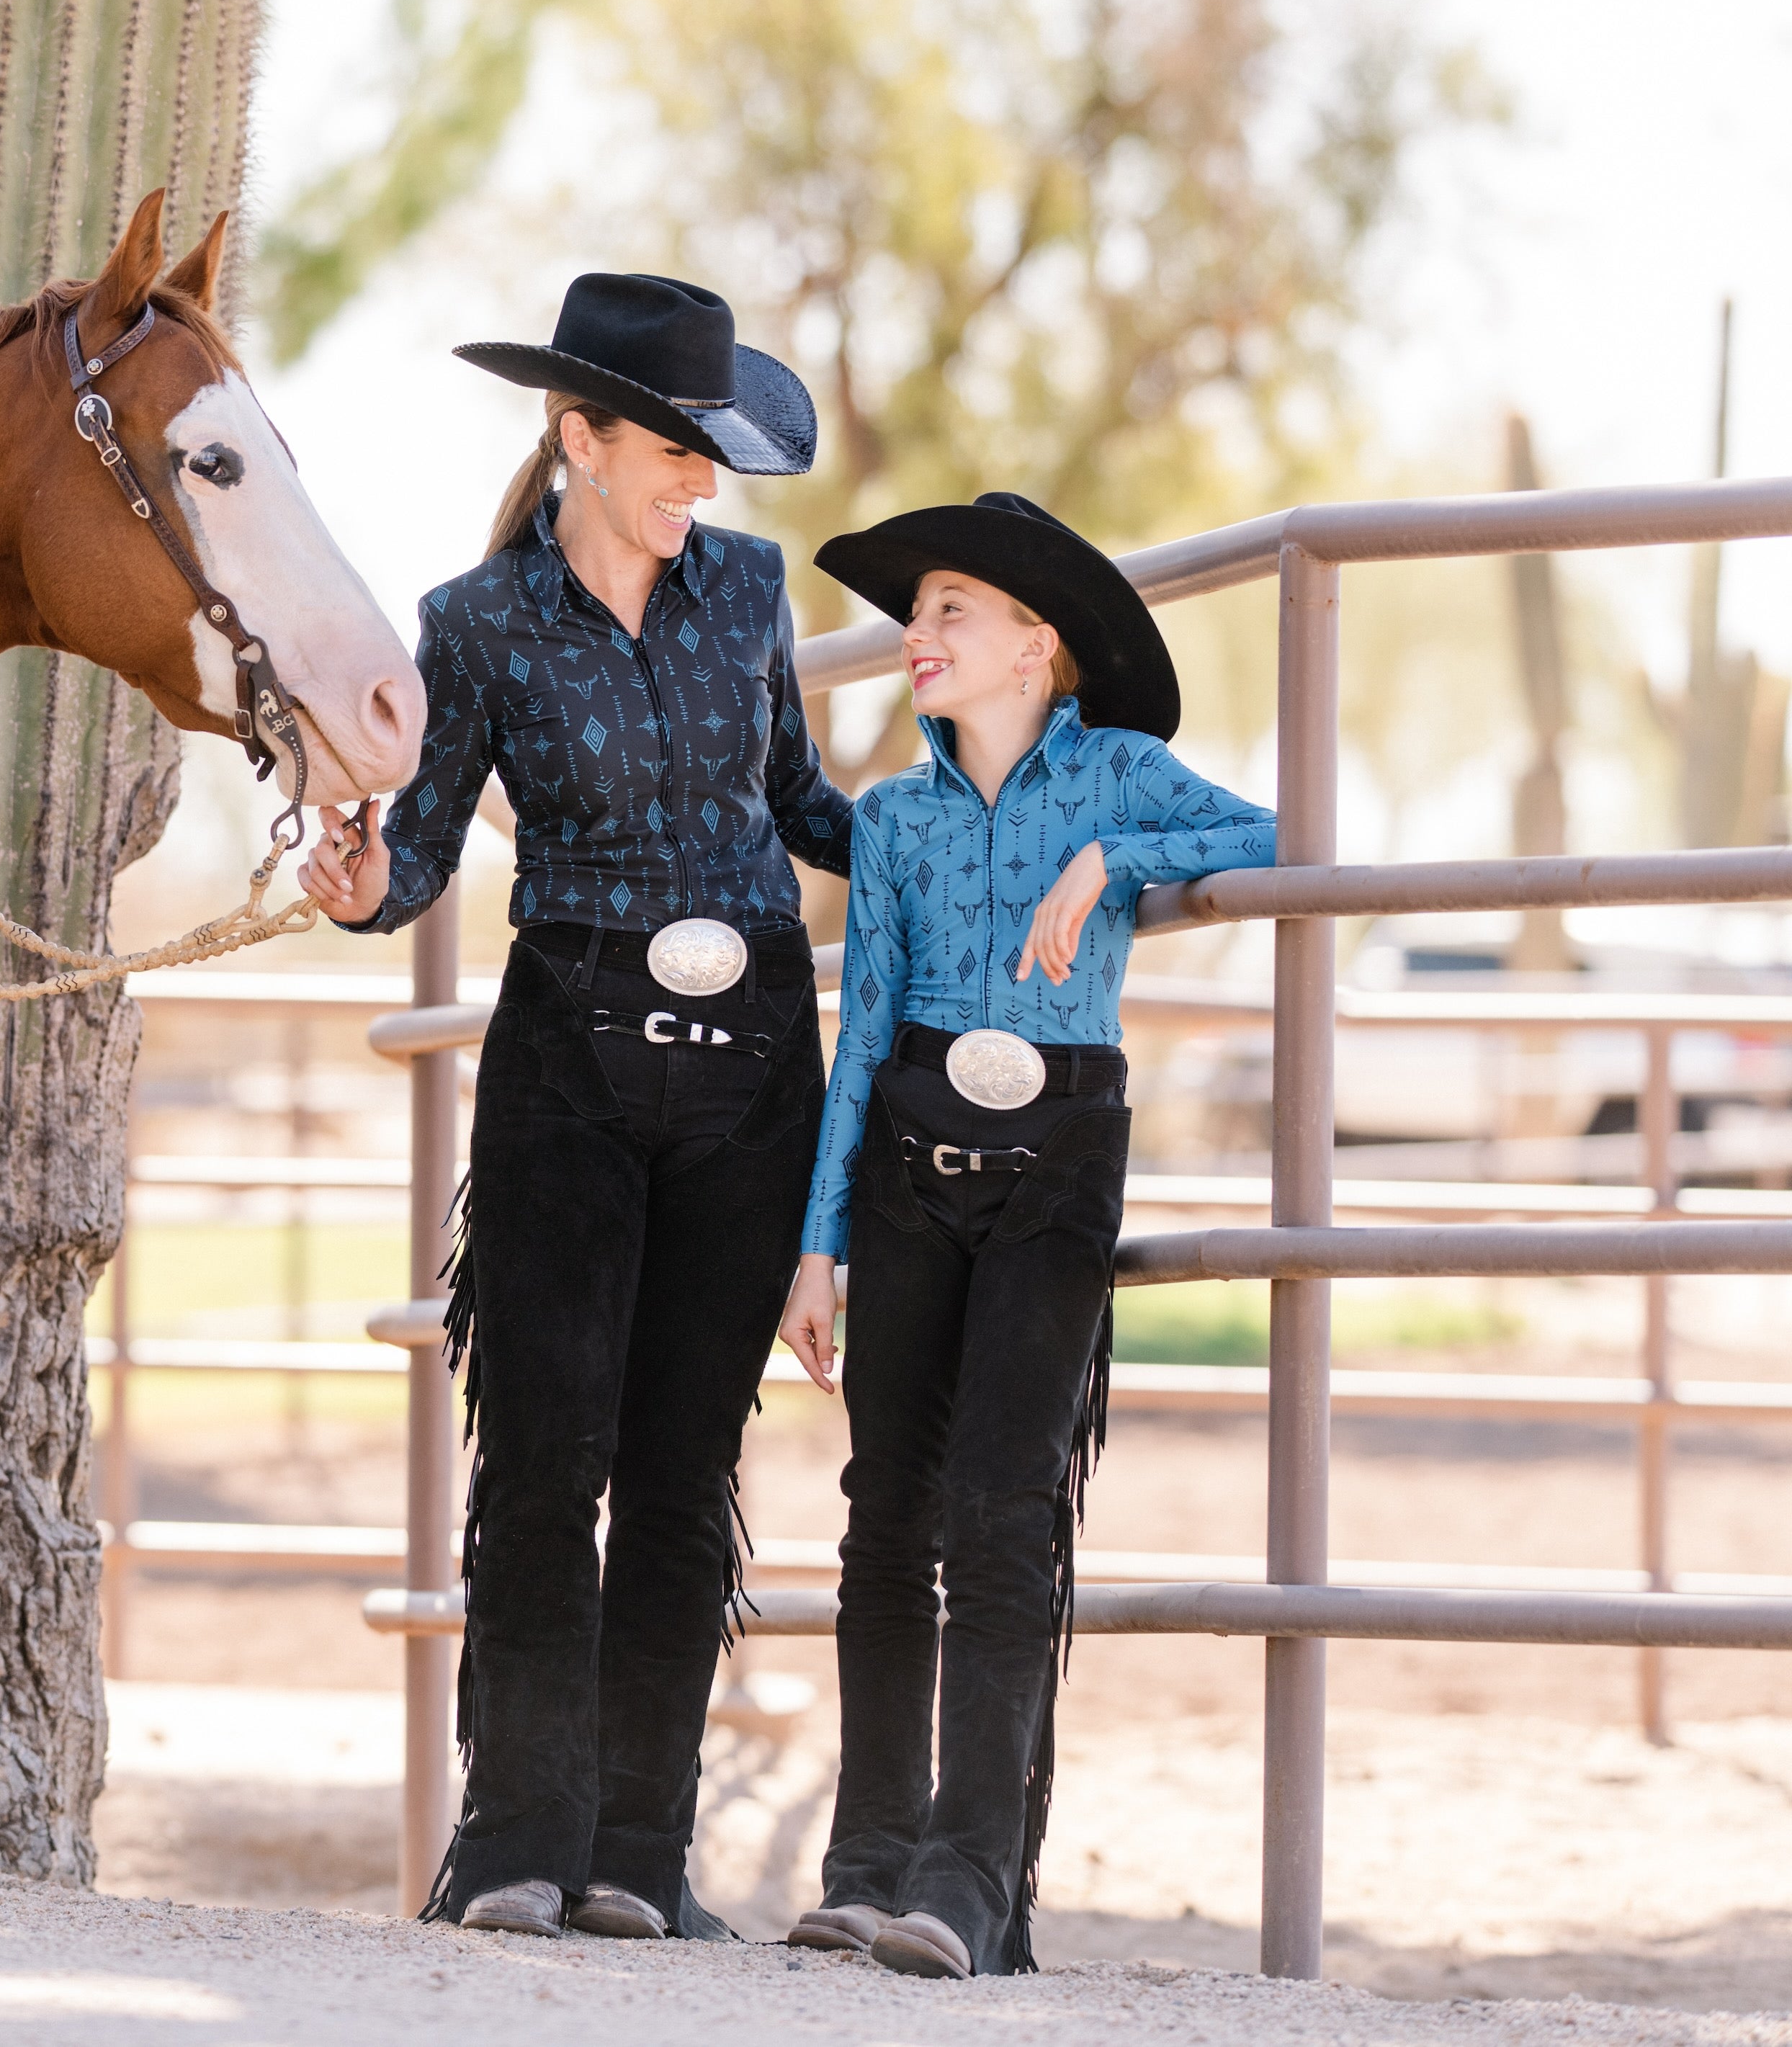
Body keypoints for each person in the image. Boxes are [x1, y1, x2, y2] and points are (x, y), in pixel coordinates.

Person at [303, 272, 853, 1943]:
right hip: (567, 1058)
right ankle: (511, 1841)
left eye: (711, 456)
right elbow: (418, 847)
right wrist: (352, 881)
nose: (704, 483)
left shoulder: (749, 590)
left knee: (685, 1470)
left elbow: (801, 804)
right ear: (579, 437)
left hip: (754, 1060)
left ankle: (639, 1855)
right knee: (538, 1455)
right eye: (676, 451)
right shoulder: (471, 621)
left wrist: (976, 834)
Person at [774, 495, 1276, 1981]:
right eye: (913, 612)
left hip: (1058, 1160)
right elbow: (859, 1028)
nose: (913, 636)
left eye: (946, 610)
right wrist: (819, 1242)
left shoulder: (1116, 773)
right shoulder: (893, 818)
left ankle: (970, 1879)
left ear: (1033, 644)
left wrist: (1110, 858)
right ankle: (865, 1860)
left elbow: (1272, 831)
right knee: (886, 1510)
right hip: (907, 1163)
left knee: (1004, 1505)